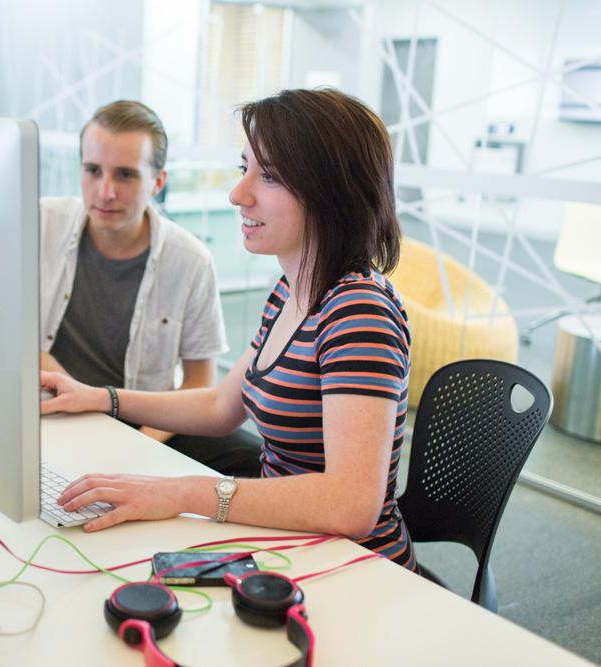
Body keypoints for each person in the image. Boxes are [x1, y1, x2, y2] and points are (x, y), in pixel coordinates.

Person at [41, 89, 416, 571]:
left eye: (271, 177)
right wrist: (103, 397)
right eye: (245, 170)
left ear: (330, 192)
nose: (239, 194)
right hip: (288, 545)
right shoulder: (293, 291)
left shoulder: (359, 312)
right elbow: (221, 406)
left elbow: (352, 505)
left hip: (353, 567)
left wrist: (184, 493)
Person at [40, 99, 262, 478]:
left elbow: (198, 384)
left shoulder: (190, 260)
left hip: (140, 421)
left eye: (125, 175)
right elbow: (6, 335)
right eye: (93, 170)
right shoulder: (41, 223)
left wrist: (137, 447)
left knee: (251, 456)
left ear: (158, 182)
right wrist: (74, 397)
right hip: (45, 406)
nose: (105, 191)